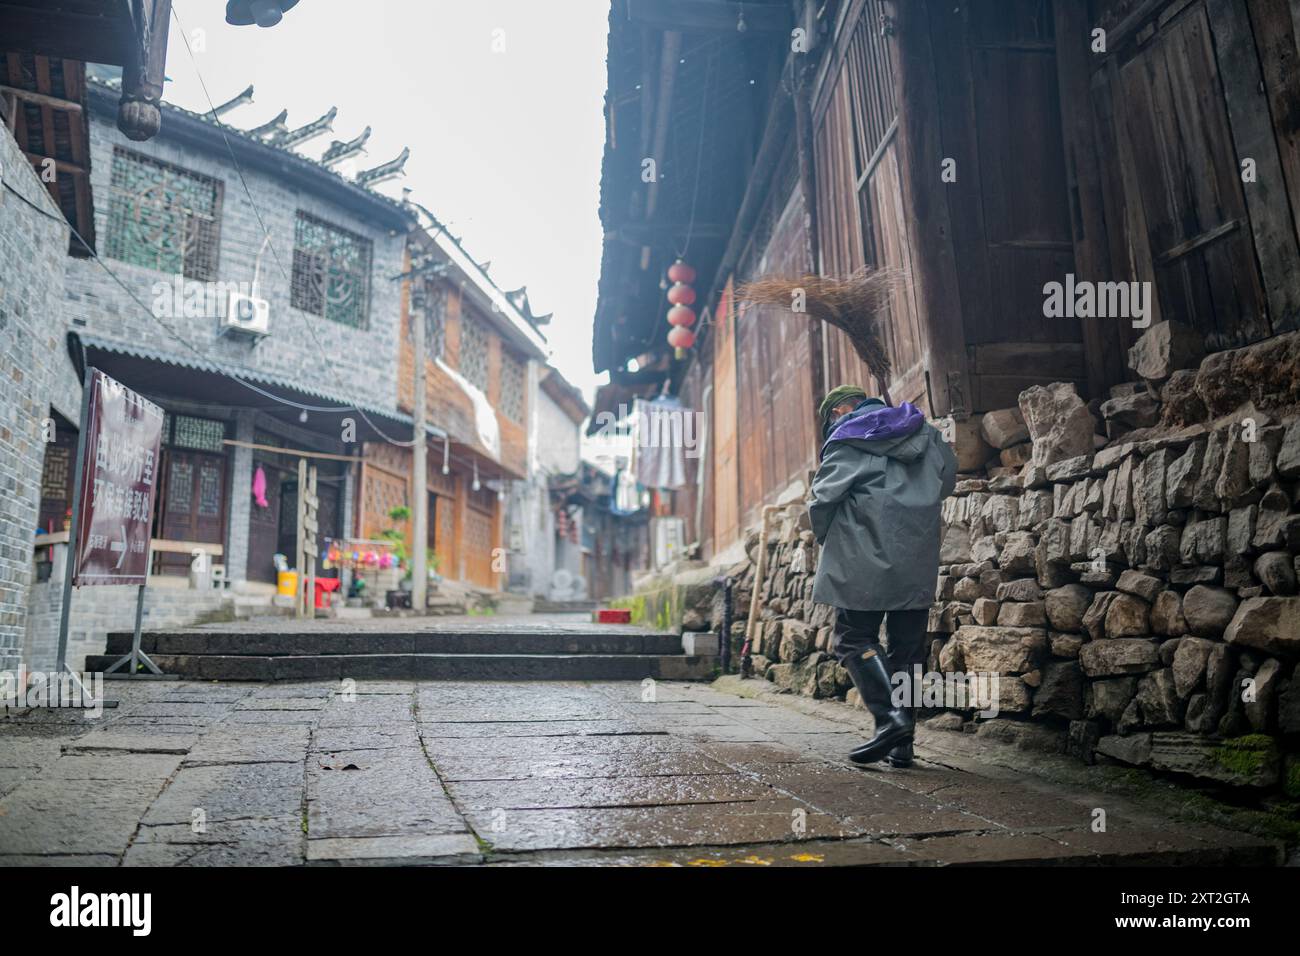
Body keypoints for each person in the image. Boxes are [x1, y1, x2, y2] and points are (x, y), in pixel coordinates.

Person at [809, 386, 958, 767]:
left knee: (853, 637)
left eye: (831, 418)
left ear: (842, 409)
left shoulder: (848, 436)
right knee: (907, 648)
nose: (832, 425)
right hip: (916, 551)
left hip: (862, 552)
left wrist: (827, 536)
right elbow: (947, 479)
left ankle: (889, 719)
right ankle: (902, 745)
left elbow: (823, 500)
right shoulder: (924, 431)